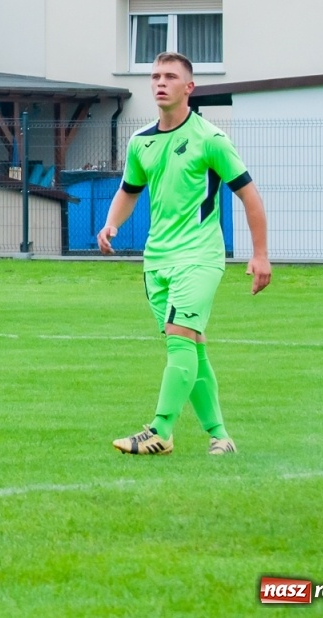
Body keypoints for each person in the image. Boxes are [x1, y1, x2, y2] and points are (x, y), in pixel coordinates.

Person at [98, 51, 270, 456]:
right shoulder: (141, 142)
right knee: (191, 345)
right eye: (156, 76)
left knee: (180, 339)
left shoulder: (210, 139)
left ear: (189, 87)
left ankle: (160, 430)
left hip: (199, 256)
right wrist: (111, 224)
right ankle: (220, 436)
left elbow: (250, 196)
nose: (160, 82)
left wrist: (260, 254)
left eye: (170, 76)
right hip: (156, 260)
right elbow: (128, 191)